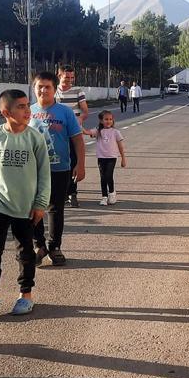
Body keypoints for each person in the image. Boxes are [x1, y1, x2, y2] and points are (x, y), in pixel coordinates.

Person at [0, 89, 50, 319]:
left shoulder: (35, 138)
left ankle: (26, 295)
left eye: (28, 106)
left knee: (25, 252)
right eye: (21, 107)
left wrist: (40, 204)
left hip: (25, 207)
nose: (28, 110)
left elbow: (44, 174)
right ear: (6, 112)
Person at [29, 71, 85, 266]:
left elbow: (77, 139)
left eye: (48, 87)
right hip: (33, 171)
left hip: (61, 169)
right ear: (34, 88)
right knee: (33, 209)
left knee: (56, 209)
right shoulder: (28, 112)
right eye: (40, 86)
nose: (43, 90)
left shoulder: (65, 112)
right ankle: (39, 246)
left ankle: (55, 247)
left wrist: (80, 164)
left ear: (54, 90)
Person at [55, 65, 89, 208]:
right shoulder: (53, 91)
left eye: (71, 77)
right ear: (59, 75)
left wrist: (79, 120)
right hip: (56, 133)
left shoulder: (77, 91)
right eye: (66, 77)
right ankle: (60, 193)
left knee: (73, 161)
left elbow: (85, 111)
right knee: (58, 162)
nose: (69, 80)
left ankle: (72, 193)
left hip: (73, 132)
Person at [84, 110, 126, 205]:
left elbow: (120, 146)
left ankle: (112, 193)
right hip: (101, 157)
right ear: (101, 121)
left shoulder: (116, 132)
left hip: (112, 157)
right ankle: (104, 197)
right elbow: (87, 132)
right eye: (106, 119)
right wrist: (78, 125)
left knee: (108, 175)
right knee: (103, 177)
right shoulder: (98, 131)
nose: (108, 121)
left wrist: (123, 158)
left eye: (110, 119)